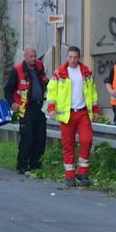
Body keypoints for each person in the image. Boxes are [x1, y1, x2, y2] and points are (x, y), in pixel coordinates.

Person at [46, 45, 99, 188]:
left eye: (75, 57)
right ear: (67, 57)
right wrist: (51, 108)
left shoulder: (86, 72)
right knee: (68, 145)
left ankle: (83, 172)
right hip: (67, 114)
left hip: (82, 112)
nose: (73, 60)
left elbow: (92, 93)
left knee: (87, 140)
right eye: (70, 57)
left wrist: (95, 110)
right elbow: (51, 92)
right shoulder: (60, 73)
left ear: (79, 58)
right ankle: (70, 176)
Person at [3, 46, 48, 174]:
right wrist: (12, 103)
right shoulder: (17, 70)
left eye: (35, 56)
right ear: (25, 56)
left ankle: (35, 164)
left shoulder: (39, 66)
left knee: (40, 137)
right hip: (26, 108)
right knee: (27, 137)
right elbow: (7, 90)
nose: (34, 59)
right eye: (31, 56)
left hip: (40, 107)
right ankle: (22, 165)